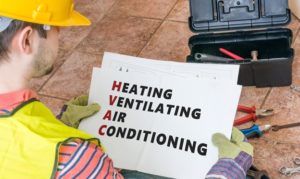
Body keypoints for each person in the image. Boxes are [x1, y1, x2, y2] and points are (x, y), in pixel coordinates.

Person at [0, 0, 253, 178]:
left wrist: (61, 124)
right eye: (55, 27)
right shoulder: (80, 158)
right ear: (27, 40)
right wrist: (227, 171)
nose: (60, 37)